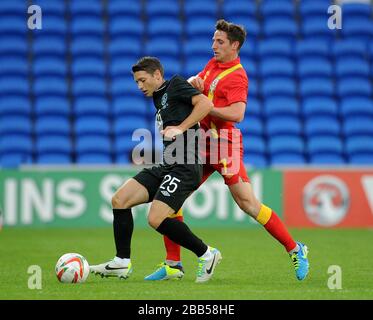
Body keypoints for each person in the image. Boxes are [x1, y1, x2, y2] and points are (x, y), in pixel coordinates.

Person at [145, 19, 310, 281]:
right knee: (172, 195)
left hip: (224, 145)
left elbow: (238, 113)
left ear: (235, 46)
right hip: (200, 142)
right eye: (213, 40)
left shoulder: (238, 76)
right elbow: (198, 84)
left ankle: (295, 248)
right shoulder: (213, 64)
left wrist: (207, 107)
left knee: (247, 203)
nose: (214, 45)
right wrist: (194, 82)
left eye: (219, 42)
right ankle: (172, 264)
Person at [90, 57, 222, 283]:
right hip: (167, 164)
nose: (140, 86)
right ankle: (121, 262)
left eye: (143, 80)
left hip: (185, 166)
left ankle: (207, 254)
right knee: (120, 199)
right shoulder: (159, 98)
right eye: (136, 82)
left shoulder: (175, 84)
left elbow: (205, 104)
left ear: (157, 76)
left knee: (156, 218)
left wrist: (180, 128)